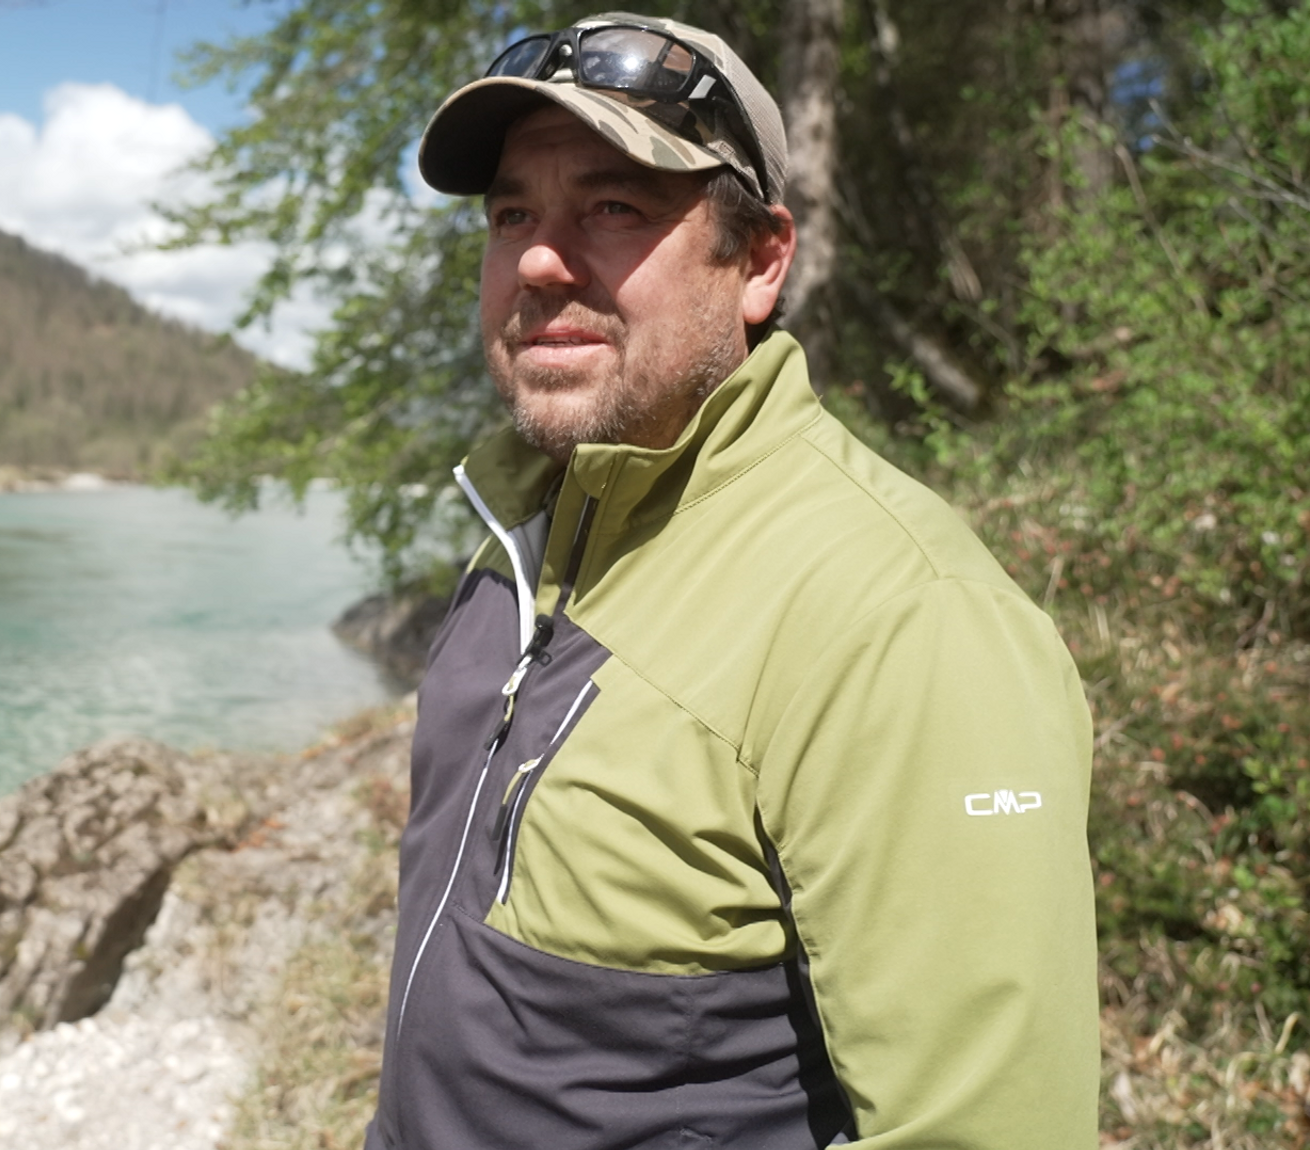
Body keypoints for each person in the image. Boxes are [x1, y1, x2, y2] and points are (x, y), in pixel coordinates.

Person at [369, 12, 1099, 1149]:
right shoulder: (523, 526)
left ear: (758, 261)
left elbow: (987, 1128)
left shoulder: (894, 613)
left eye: (612, 207)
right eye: (512, 212)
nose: (540, 259)